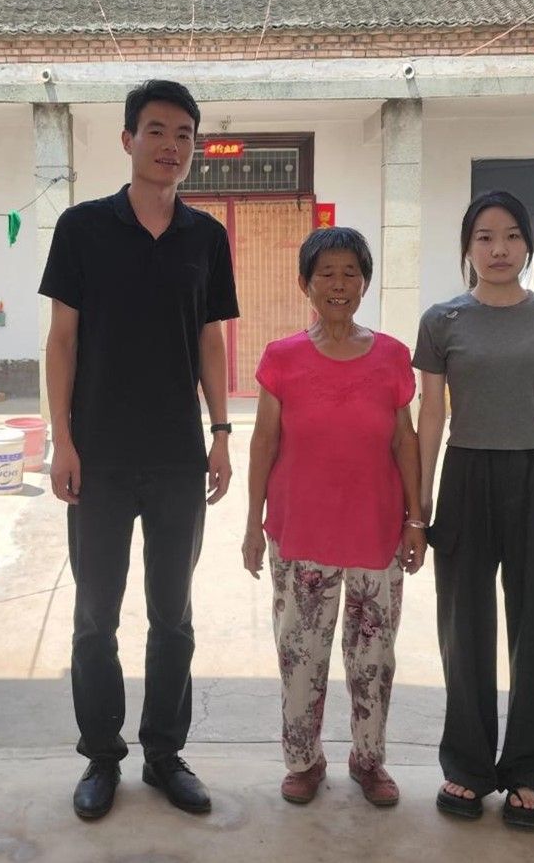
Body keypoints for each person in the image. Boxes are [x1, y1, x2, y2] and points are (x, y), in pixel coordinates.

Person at [39, 79, 239, 821]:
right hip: (99, 456)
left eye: (184, 134)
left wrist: (222, 434)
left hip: (178, 457)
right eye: (156, 131)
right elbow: (61, 343)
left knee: (172, 615)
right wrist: (62, 440)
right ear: (128, 139)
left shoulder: (205, 238)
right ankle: (101, 756)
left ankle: (163, 754)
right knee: (96, 617)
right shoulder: (82, 227)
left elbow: (211, 342)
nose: (170, 146)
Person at [414, 191, 534, 829]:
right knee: (463, 626)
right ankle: (467, 765)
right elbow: (431, 415)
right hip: (465, 476)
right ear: (467, 246)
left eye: (512, 235)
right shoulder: (442, 321)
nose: (499, 249)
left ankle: (531, 773)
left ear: (528, 244)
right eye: (484, 237)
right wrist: (419, 504)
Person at [242, 227, 425, 807]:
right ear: (306, 284)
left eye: (351, 273)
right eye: (326, 273)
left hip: (376, 530)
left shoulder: (392, 356)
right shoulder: (281, 358)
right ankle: (303, 760)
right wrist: (252, 523)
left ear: (365, 282)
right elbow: (264, 441)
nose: (339, 284)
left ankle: (369, 761)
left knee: (374, 658)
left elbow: (404, 441)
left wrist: (416, 519)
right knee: (301, 655)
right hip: (300, 530)